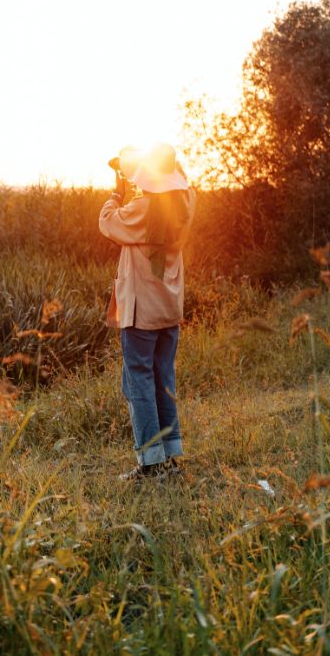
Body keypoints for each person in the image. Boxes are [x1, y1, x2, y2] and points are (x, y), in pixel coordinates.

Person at [99, 143, 196, 482]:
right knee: (163, 379)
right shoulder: (186, 202)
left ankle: (150, 464)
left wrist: (117, 191)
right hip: (169, 306)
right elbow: (176, 180)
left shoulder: (143, 208)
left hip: (142, 311)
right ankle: (170, 455)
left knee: (138, 382)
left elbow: (108, 223)